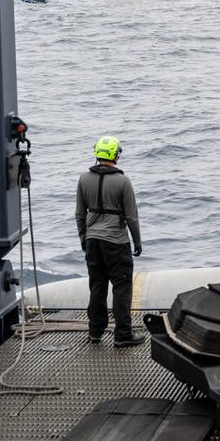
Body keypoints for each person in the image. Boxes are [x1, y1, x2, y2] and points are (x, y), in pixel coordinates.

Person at [75, 136, 146, 347]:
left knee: (97, 286)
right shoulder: (123, 181)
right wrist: (137, 242)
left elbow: (80, 214)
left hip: (93, 241)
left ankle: (95, 331)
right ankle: (123, 334)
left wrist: (83, 238)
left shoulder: (83, 179)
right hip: (116, 242)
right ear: (115, 155)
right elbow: (132, 217)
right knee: (121, 287)